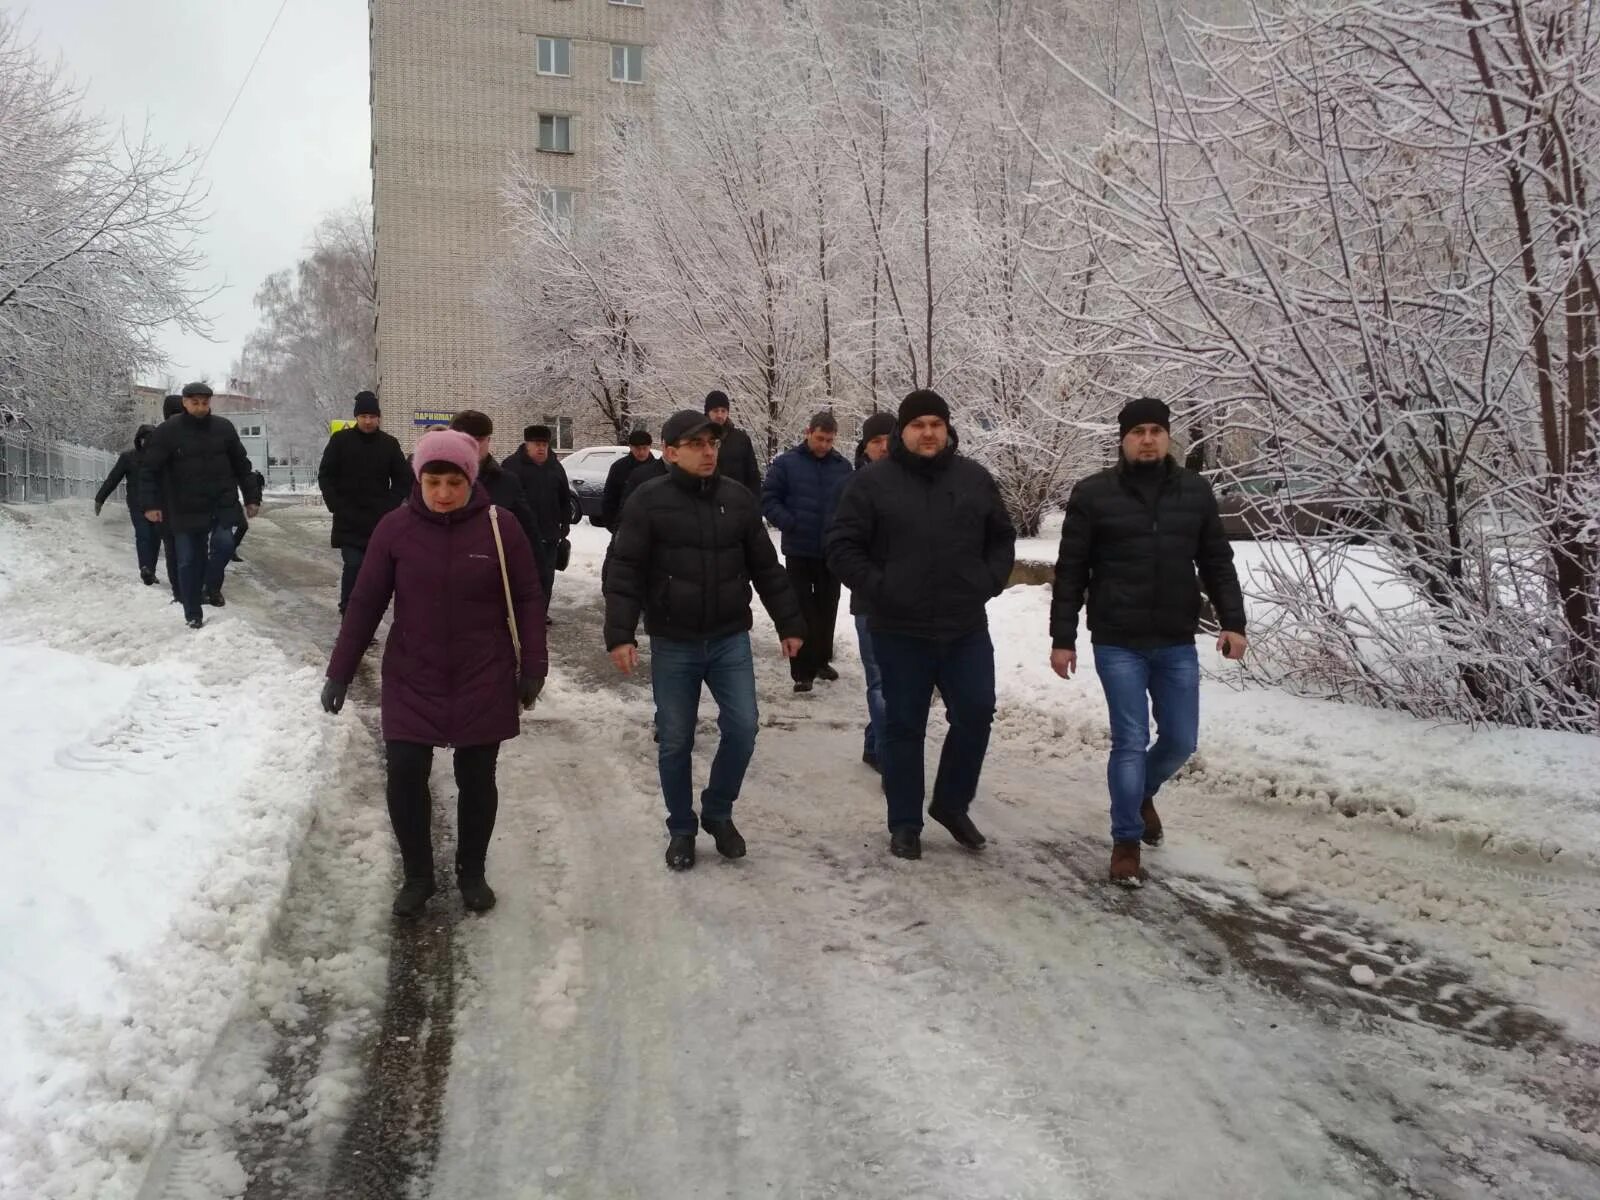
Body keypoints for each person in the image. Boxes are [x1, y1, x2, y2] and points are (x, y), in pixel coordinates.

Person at [321, 430, 548, 918]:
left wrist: (533, 665)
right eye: (433, 482)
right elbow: (364, 603)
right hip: (412, 673)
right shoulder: (394, 529)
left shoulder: (500, 527)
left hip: (482, 671)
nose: (443, 493)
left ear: (470, 479)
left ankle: (472, 873)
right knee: (405, 774)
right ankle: (418, 877)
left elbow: (529, 598)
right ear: (417, 481)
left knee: (476, 775)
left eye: (453, 481)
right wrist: (340, 671)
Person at [1049, 396, 1248, 887]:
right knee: (1130, 739)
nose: (1147, 439)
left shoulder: (1195, 492)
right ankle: (1126, 841)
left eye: (1156, 430)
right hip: (1117, 639)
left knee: (1181, 740)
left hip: (1176, 638)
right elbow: (1072, 570)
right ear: (1122, 439)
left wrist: (1233, 621)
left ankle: (1139, 792)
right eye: (1137, 431)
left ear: (1168, 437)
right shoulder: (1093, 494)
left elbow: (1217, 562)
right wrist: (1063, 636)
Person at [604, 409, 805, 871]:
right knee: (675, 739)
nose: (708, 451)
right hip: (674, 641)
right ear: (671, 452)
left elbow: (766, 567)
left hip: (728, 638)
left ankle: (717, 811)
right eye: (695, 444)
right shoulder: (647, 500)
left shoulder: (737, 499)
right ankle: (681, 827)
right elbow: (625, 571)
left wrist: (790, 623)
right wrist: (620, 633)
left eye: (711, 443)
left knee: (744, 728)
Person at [827, 389, 1016, 861]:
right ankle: (905, 823)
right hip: (898, 628)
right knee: (904, 725)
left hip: (964, 626)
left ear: (947, 429)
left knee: (976, 712)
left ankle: (951, 804)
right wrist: (881, 586)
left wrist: (987, 581)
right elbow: (842, 545)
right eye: (918, 424)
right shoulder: (872, 483)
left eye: (936, 423)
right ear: (901, 432)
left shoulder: (974, 478)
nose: (928, 432)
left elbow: (1002, 537)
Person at [140, 382, 261, 629]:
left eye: (204, 403)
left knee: (225, 544)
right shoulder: (168, 431)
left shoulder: (223, 429)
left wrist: (251, 497)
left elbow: (242, 465)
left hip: (220, 503)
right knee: (187, 560)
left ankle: (209, 585)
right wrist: (150, 504)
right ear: (184, 402)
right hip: (184, 505)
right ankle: (192, 611)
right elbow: (149, 470)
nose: (200, 407)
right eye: (195, 402)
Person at [762, 410, 854, 693]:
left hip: (831, 551)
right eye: (819, 438)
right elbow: (768, 498)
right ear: (808, 432)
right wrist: (790, 522)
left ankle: (822, 659)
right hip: (799, 550)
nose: (824, 445)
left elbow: (853, 503)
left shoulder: (842, 467)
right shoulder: (786, 464)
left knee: (828, 606)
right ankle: (802, 670)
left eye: (829, 440)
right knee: (801, 609)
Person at [318, 391, 412, 614]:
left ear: (378, 417)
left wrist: (389, 506)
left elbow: (403, 479)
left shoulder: (389, 444)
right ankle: (348, 612)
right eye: (363, 416)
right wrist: (337, 505)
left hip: (378, 520)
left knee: (376, 571)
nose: (368, 421)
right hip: (348, 519)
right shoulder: (340, 441)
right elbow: (326, 476)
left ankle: (366, 615)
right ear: (356, 418)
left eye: (372, 416)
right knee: (354, 565)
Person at [848, 411, 897, 770]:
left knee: (901, 683)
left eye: (888, 440)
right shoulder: (856, 487)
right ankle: (888, 757)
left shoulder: (915, 482)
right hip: (870, 600)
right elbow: (844, 548)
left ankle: (874, 742)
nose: (883, 448)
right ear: (865, 448)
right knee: (881, 682)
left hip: (911, 602)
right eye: (876, 441)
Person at [449, 411, 547, 580]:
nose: (472, 446)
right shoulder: (434, 482)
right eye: (465, 440)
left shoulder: (506, 482)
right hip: (444, 583)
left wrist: (536, 593)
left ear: (489, 440)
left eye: (479, 440)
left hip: (492, 582)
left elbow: (529, 538)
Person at [502, 425, 572, 620]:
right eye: (536, 444)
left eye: (544, 444)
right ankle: (518, 614)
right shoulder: (511, 466)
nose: (541, 448)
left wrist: (565, 524)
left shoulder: (555, 467)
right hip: (520, 534)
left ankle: (540, 613)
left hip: (549, 533)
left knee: (546, 576)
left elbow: (564, 497)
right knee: (520, 575)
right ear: (527, 444)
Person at [93, 424, 164, 585]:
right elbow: (113, 478)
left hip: (158, 505)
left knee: (155, 537)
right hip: (137, 504)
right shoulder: (128, 457)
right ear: (139, 440)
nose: (147, 442)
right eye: (144, 439)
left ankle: (150, 570)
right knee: (143, 534)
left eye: (150, 439)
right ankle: (145, 567)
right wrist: (100, 498)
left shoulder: (161, 459)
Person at [599, 428, 663, 530]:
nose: (641, 452)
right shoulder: (619, 467)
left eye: (644, 448)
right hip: (625, 526)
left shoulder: (659, 469)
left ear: (650, 447)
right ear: (631, 447)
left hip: (654, 527)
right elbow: (609, 499)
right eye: (637, 448)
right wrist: (614, 527)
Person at [703, 390, 763, 494]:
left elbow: (753, 477)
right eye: (716, 411)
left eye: (723, 411)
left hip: (736, 500)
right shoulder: (698, 439)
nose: (720, 415)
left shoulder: (741, 439)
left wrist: (754, 504)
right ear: (708, 412)